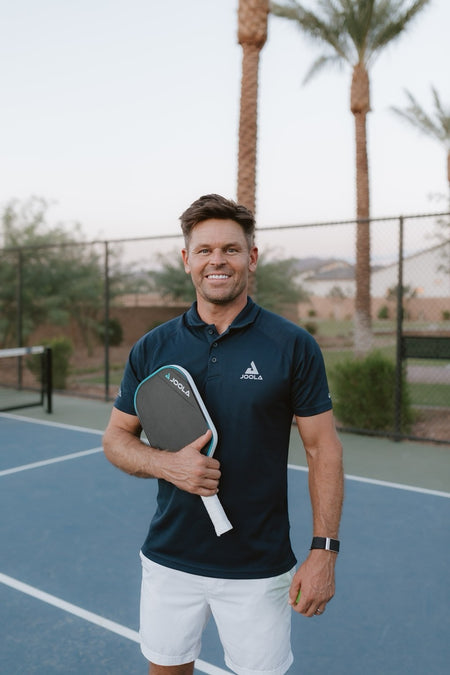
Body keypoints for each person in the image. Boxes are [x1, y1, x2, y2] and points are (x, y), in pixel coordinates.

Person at [103, 194, 344, 675]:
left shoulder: (292, 345)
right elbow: (116, 440)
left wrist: (324, 552)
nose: (218, 260)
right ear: (186, 260)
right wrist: (164, 463)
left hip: (258, 564)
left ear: (251, 258)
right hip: (170, 556)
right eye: (205, 249)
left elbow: (323, 450)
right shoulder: (153, 346)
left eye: (231, 249)